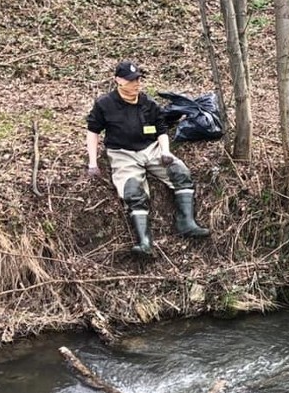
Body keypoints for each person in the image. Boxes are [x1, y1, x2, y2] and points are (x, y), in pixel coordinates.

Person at [86, 60, 209, 256]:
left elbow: (161, 130)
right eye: (130, 80)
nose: (135, 84)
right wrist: (92, 163)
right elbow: (92, 132)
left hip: (150, 149)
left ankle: (186, 223)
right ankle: (144, 241)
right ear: (118, 80)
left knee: (180, 172)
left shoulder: (148, 104)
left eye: (138, 79)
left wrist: (165, 151)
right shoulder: (105, 104)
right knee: (133, 191)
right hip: (122, 153)